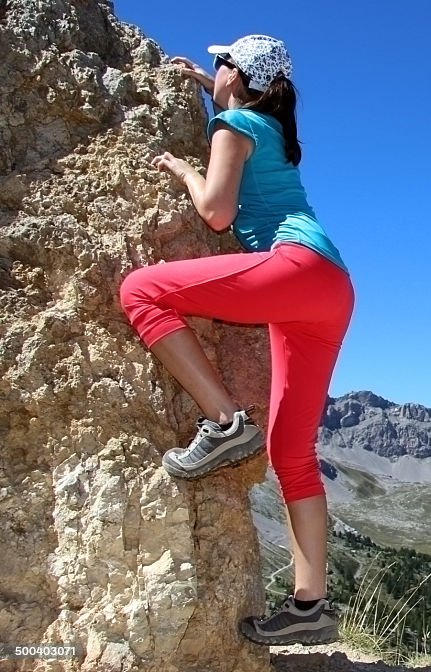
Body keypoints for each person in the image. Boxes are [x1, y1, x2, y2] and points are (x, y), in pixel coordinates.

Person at [118, 34, 354, 646]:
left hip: (293, 270)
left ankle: (224, 423)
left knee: (140, 290)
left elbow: (217, 213)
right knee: (292, 453)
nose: (211, 68)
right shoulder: (266, 125)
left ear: (238, 75)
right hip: (329, 288)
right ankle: (311, 606)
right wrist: (207, 82)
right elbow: (245, 120)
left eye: (220, 61)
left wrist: (183, 167)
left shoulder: (233, 121)